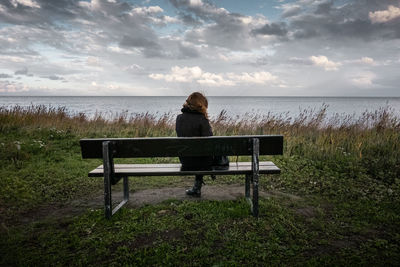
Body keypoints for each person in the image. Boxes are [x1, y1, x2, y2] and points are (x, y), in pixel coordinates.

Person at [175, 92, 213, 197]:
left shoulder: (179, 118)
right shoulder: (202, 120)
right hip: (203, 162)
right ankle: (197, 186)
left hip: (185, 160)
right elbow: (210, 141)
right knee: (204, 154)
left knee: (199, 154)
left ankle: (197, 188)